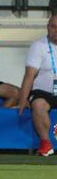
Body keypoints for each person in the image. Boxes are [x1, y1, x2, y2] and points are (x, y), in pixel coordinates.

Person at [18, 14, 57, 156]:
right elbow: (29, 75)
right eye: (53, 27)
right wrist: (22, 101)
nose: (56, 31)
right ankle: (46, 144)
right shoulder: (38, 45)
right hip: (44, 93)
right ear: (47, 28)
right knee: (38, 105)